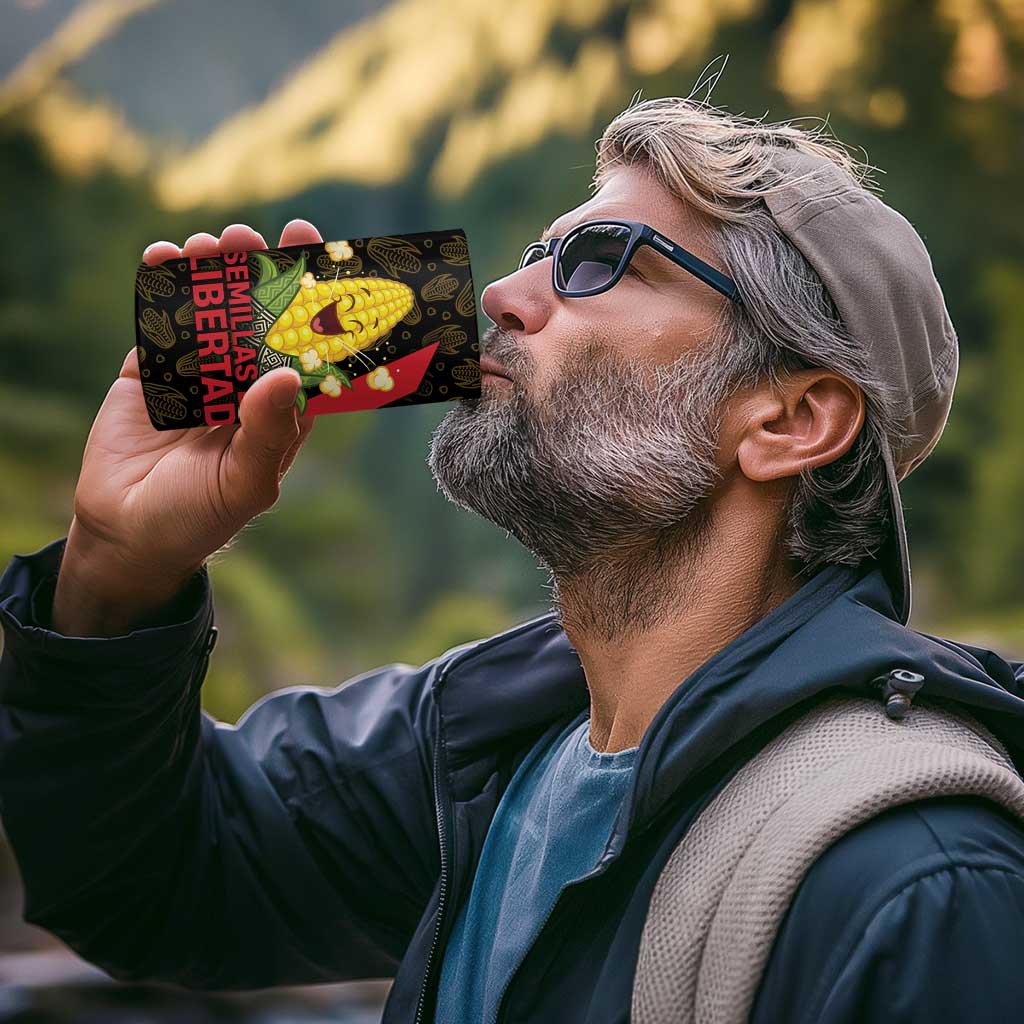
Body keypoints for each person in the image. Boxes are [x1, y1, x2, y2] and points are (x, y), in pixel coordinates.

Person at [2, 95, 1024, 1024]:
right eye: (540, 251)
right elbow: (149, 880)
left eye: (600, 261)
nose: (500, 292)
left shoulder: (918, 883)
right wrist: (116, 571)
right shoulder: (479, 748)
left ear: (791, 419)